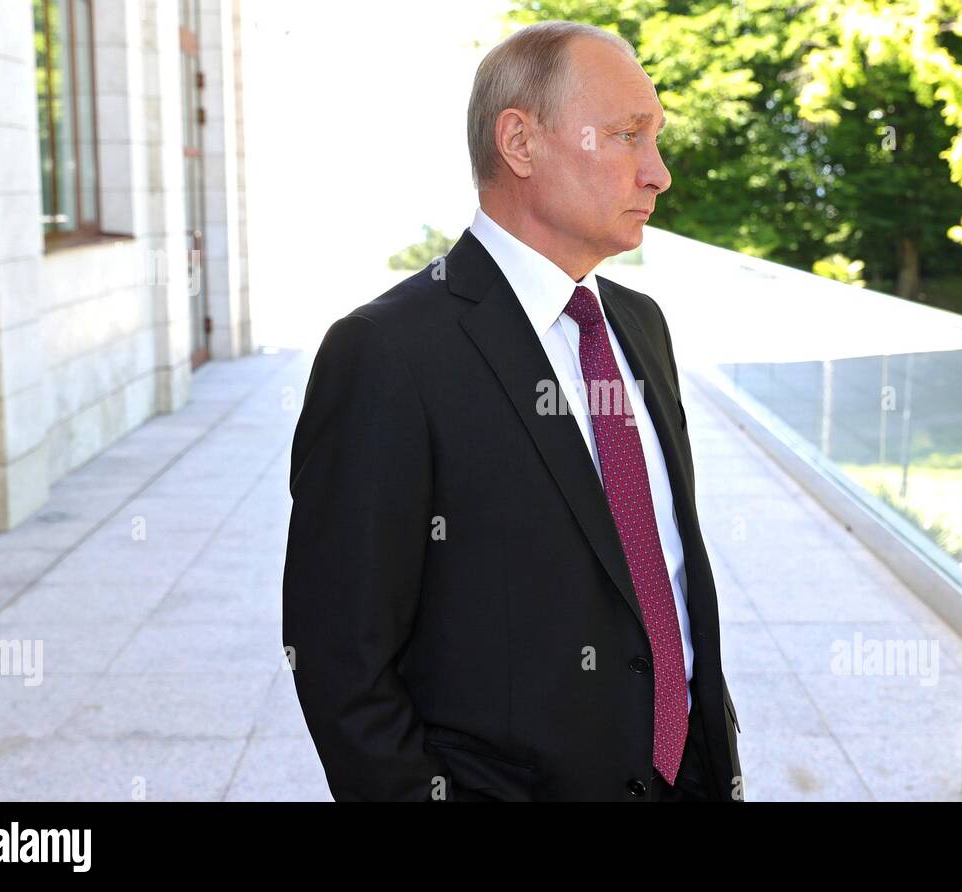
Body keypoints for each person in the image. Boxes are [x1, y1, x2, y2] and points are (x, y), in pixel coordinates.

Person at [282, 19, 743, 802]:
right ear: (520, 144)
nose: (658, 173)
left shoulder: (640, 326)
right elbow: (341, 663)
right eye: (629, 135)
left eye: (655, 138)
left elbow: (660, 581)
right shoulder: (386, 353)